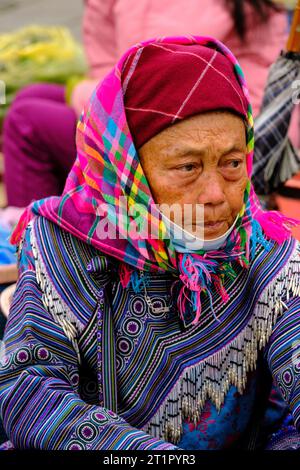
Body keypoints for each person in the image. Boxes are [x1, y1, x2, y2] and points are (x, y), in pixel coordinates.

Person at [0, 35, 299, 451]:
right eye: (188, 167)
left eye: (232, 163)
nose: (216, 193)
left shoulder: (262, 246)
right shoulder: (61, 244)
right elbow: (28, 391)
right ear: (127, 169)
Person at [1, 0, 286, 223]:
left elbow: (253, 92)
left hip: (189, 125)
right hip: (134, 107)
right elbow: (106, 66)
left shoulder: (250, 9)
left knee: (27, 120)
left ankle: (31, 240)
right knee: (30, 96)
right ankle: (57, 228)